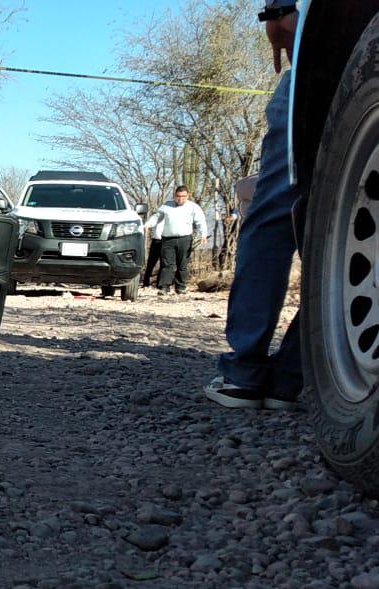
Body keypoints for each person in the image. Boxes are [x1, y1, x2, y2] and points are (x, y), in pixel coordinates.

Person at [204, 2, 301, 410]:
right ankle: (292, 376)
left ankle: (244, 372)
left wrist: (280, 10)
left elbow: (285, 21)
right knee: (335, 226)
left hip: (337, 52)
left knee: (273, 214)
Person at [143, 185, 207, 294]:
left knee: (182, 264)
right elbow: (157, 216)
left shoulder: (193, 207)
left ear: (188, 196)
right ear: (174, 195)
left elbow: (200, 221)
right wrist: (148, 224)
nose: (180, 199)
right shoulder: (167, 206)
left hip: (185, 238)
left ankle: (180, 287)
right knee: (167, 264)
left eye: (183, 196)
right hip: (168, 239)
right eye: (178, 196)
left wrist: (203, 235)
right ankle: (164, 287)